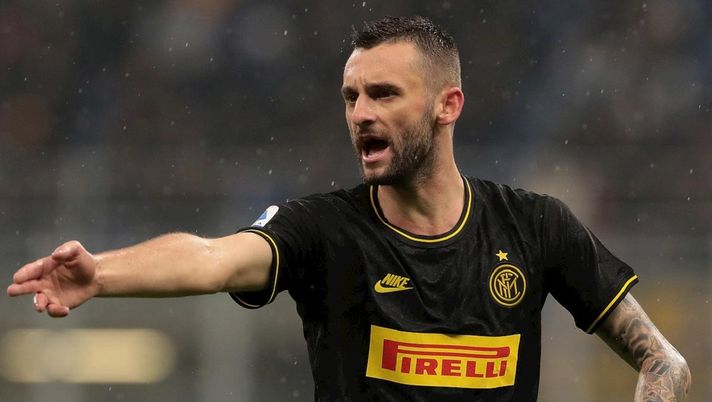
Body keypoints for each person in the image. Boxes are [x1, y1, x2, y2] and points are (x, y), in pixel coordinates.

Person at [7, 16, 690, 401]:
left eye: (384, 94)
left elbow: (664, 363)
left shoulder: (534, 226)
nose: (361, 113)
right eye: (351, 97)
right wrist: (103, 274)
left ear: (447, 105)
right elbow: (213, 257)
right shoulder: (325, 230)